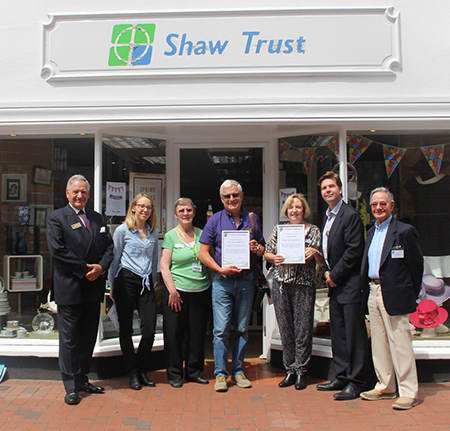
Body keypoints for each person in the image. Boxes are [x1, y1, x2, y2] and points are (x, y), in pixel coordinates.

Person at [46, 175, 114, 405]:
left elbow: (109, 248)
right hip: (71, 287)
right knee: (69, 340)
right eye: (75, 191)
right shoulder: (56, 218)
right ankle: (70, 385)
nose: (79, 196)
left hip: (93, 288)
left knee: (87, 338)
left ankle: (83, 378)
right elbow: (58, 251)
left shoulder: (97, 218)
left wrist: (101, 267)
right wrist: (86, 270)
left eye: (84, 192)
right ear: (67, 193)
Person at [199, 179, 265, 392]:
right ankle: (220, 374)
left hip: (246, 281)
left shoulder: (252, 219)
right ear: (221, 199)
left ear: (241, 196)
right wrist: (219, 270)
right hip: (222, 282)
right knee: (220, 330)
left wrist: (257, 248)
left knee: (243, 328)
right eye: (227, 196)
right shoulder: (215, 221)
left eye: (235, 195)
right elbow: (203, 253)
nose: (231, 199)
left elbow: (262, 249)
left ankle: (238, 370)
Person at [360, 187, 423, 410]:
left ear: (392, 205)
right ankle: (385, 385)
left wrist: (410, 294)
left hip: (395, 293)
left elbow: (416, 267)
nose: (378, 207)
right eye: (375, 204)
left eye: (383, 203)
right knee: (379, 342)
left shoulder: (405, 232)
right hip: (373, 291)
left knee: (401, 343)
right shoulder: (370, 232)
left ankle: (408, 391)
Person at [317, 171, 369, 400]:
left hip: (349, 284)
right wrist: (327, 271)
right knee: (338, 333)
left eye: (331, 187)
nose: (327, 190)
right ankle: (341, 375)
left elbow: (353, 251)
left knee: (354, 335)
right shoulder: (328, 216)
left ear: (340, 190)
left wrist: (334, 274)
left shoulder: (350, 215)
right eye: (324, 188)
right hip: (335, 284)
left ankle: (357, 382)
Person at [264, 193, 324, 390]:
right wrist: (274, 258)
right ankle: (289, 369)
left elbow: (317, 259)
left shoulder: (313, 230)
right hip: (282, 284)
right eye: (291, 207)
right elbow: (267, 252)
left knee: (303, 328)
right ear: (286, 211)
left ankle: (301, 371)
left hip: (304, 284)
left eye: (298, 207)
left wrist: (314, 253)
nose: (294, 211)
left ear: (304, 209)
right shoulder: (279, 230)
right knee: (285, 328)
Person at [108, 193, 158, 391]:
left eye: (149, 207)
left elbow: (154, 258)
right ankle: (133, 372)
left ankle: (140, 366)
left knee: (149, 330)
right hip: (126, 281)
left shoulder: (152, 231)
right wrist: (112, 284)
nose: (145, 210)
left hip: (146, 283)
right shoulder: (123, 230)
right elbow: (115, 258)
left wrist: (154, 280)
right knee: (126, 329)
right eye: (142, 206)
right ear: (133, 207)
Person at [160, 198, 211, 388]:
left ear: (194, 212)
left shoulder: (202, 234)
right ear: (175, 214)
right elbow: (164, 266)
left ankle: (193, 371)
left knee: (196, 333)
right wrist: (172, 291)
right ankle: (174, 373)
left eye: (188, 210)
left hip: (200, 290)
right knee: (174, 333)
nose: (185, 213)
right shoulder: (170, 236)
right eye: (181, 211)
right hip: (177, 292)